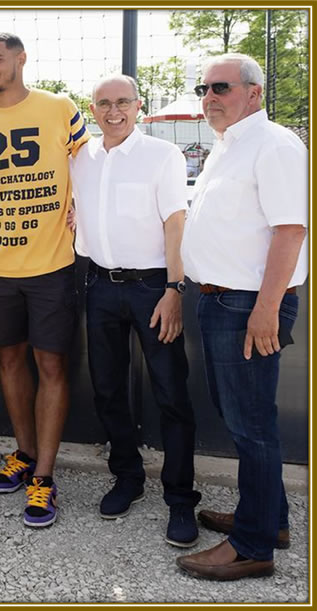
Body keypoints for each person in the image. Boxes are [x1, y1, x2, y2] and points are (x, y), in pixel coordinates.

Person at [177, 53, 308, 580]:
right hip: (221, 300)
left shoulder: (273, 144)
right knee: (246, 421)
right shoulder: (229, 145)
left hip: (246, 306)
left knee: (251, 427)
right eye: (204, 88)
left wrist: (266, 310)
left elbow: (291, 230)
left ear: (254, 92)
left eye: (221, 87)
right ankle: (269, 518)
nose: (209, 97)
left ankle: (253, 546)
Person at [0, 33, 90, 528]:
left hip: (51, 264)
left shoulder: (58, 108)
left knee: (51, 364)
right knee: (9, 359)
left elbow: (89, 164)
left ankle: (45, 479)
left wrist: (85, 206)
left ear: (20, 59)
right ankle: (25, 455)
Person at [70, 75, 201, 547]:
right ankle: (127, 477)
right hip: (100, 286)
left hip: (152, 288)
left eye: (122, 102)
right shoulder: (80, 157)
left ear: (139, 106)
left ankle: (181, 498)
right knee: (107, 388)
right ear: (93, 108)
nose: (113, 111)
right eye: (103, 103)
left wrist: (174, 289)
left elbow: (175, 222)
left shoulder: (161, 156)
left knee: (171, 393)